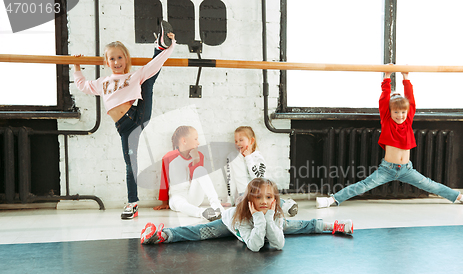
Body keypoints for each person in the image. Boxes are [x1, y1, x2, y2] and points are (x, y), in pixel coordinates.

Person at [316, 68, 463, 209]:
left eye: (403, 112)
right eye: (396, 112)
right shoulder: (387, 121)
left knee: (431, 185)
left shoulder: (408, 120)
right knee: (363, 185)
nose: (400, 115)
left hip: (407, 169)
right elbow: (384, 100)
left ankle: (462, 198)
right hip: (387, 169)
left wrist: (406, 78)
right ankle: (332, 200)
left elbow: (410, 100)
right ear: (390, 112)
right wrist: (387, 77)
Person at [73, 21, 176, 219]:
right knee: (130, 165)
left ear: (126, 59)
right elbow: (82, 85)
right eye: (112, 58)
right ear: (106, 61)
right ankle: (133, 204)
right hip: (124, 128)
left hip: (137, 117)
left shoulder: (131, 77)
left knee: (148, 78)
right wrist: (77, 66)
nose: (117, 61)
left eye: (120, 57)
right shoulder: (102, 83)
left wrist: (169, 48)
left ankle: (160, 46)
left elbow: (154, 66)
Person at [142, 178, 353, 252]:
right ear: (250, 200)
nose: (264, 202)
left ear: (274, 200)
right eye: (259, 198)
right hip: (232, 225)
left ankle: (332, 225)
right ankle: (164, 235)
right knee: (202, 232)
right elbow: (254, 246)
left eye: (268, 198)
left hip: (266, 222)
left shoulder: (274, 212)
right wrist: (260, 220)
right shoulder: (238, 217)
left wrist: (268, 218)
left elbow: (278, 245)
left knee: (297, 226)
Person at [153, 126, 225, 221]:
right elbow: (164, 180)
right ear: (184, 141)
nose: (198, 142)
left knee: (200, 170)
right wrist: (164, 202)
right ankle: (203, 213)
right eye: (195, 139)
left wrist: (195, 159)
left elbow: (195, 177)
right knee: (180, 204)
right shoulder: (168, 157)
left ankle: (216, 205)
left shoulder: (199, 156)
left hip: (193, 195)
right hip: (177, 196)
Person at [226, 126, 298, 216]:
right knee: (242, 211)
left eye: (241, 140)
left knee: (268, 199)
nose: (238, 144)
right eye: (236, 141)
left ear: (251, 141)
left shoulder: (257, 157)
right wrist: (230, 200)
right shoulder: (233, 158)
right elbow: (230, 179)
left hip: (259, 191)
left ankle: (287, 206)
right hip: (243, 194)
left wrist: (248, 158)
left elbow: (258, 178)